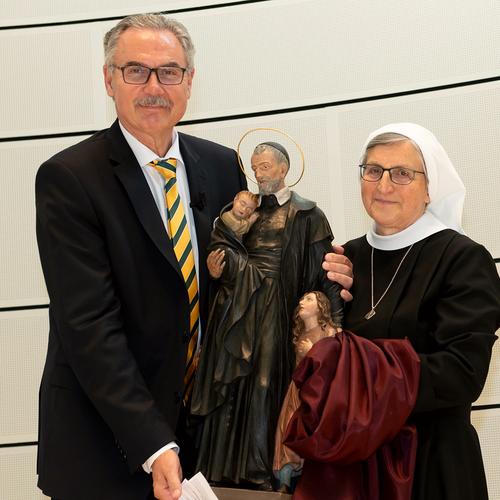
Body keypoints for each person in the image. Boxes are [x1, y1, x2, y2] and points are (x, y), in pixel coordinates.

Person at [35, 13, 246, 500]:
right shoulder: (70, 179)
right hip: (106, 445)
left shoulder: (223, 167)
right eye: (136, 71)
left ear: (189, 82)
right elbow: (88, 326)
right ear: (109, 80)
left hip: (206, 443)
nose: (154, 87)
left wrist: (324, 272)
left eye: (169, 72)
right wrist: (153, 441)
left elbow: (244, 286)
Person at [292, 123, 500, 499]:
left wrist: (353, 364)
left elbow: (462, 374)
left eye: (402, 173)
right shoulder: (343, 261)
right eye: (373, 170)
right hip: (351, 467)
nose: (383, 186)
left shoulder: (462, 259)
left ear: (430, 187)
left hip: (431, 465)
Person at [191, 141, 344, 490]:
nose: (258, 174)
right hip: (238, 304)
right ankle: (221, 468)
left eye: (265, 167)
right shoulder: (243, 209)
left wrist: (336, 326)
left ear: (283, 169)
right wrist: (218, 268)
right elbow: (222, 243)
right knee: (230, 383)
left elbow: (325, 273)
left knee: (264, 382)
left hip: (277, 305)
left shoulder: (308, 215)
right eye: (254, 167)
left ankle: (261, 468)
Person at [273, 291, 338, 493]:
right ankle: (284, 481)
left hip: (320, 392)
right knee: (287, 430)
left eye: (309, 299)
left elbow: (337, 364)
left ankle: (312, 483)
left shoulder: (331, 332)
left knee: (313, 432)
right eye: (301, 298)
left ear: (321, 307)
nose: (302, 301)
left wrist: (313, 352)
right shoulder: (299, 334)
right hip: (297, 391)